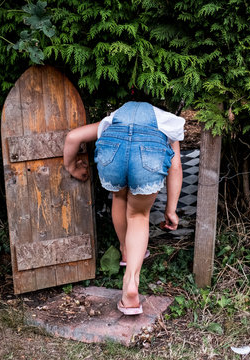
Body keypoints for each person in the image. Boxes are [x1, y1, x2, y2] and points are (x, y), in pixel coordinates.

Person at [63, 101, 184, 315]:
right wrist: (170, 209)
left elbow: (73, 137)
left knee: (119, 198)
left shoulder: (115, 118)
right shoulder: (166, 121)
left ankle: (126, 250)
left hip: (113, 152)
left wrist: (72, 167)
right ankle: (131, 284)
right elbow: (175, 166)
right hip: (148, 155)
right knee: (138, 215)